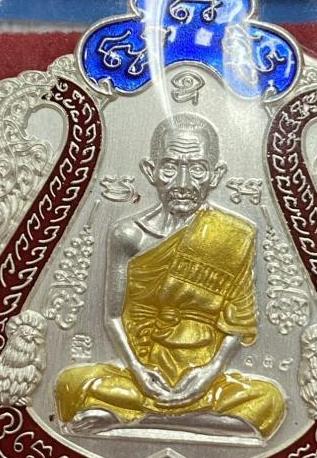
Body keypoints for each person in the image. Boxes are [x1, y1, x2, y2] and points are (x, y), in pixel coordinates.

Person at [55, 112, 285, 439]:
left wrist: (211, 371)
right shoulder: (128, 234)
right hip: (142, 369)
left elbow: (240, 322)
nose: (183, 183)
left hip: (203, 375)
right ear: (150, 171)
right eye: (170, 167)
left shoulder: (235, 234)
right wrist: (138, 371)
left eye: (197, 169)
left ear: (216, 174)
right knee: (69, 384)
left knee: (269, 400)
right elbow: (112, 317)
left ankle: (138, 419)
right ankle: (189, 419)